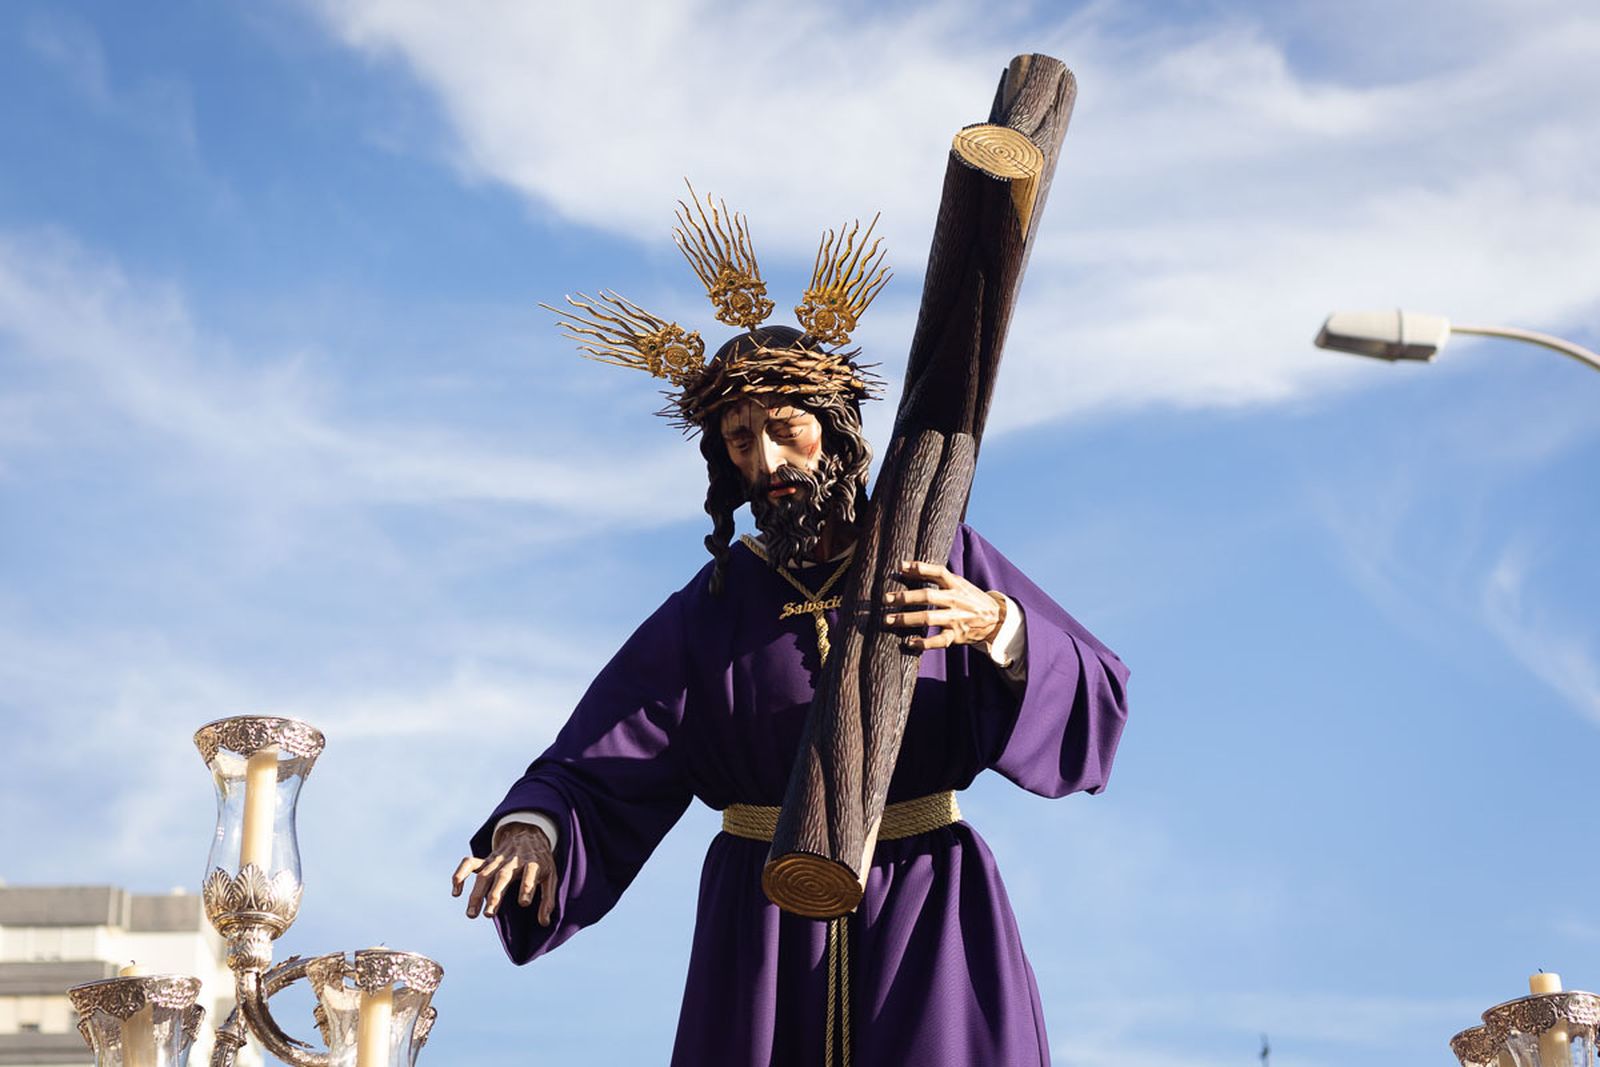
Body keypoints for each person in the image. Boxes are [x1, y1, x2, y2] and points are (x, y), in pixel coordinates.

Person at [451, 191, 1129, 1066]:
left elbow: (1097, 686)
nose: (765, 462)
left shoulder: (936, 551)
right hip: (762, 933)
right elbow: (600, 757)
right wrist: (533, 830)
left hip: (929, 907)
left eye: (784, 430)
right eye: (739, 441)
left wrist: (999, 625)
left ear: (836, 431)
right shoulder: (716, 605)